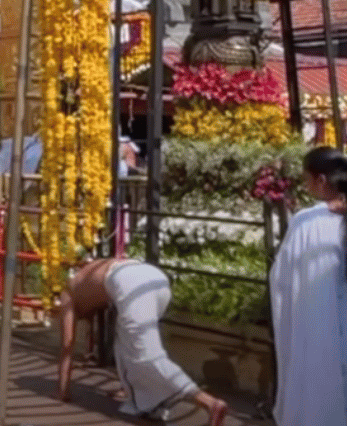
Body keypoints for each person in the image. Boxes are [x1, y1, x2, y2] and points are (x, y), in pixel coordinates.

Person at [58, 257, 228, 424]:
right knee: (125, 345)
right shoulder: (87, 276)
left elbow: (67, 345)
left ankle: (209, 403)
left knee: (148, 356)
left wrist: (63, 391)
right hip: (155, 278)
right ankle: (137, 396)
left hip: (130, 284)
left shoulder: (68, 294)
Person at [268, 145, 347, 426]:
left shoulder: (307, 221)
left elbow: (283, 277)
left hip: (316, 327)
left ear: (321, 181)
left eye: (306, 178)